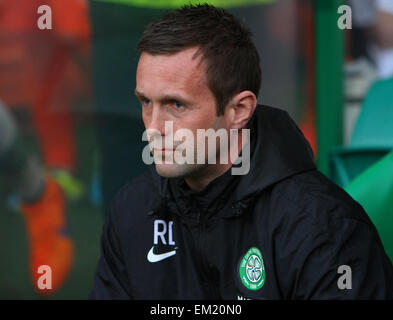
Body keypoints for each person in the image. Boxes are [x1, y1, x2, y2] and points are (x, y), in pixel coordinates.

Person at [90, 4, 393, 299]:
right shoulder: (131, 212)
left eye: (176, 105)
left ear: (239, 110)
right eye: (145, 102)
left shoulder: (324, 228)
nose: (153, 127)